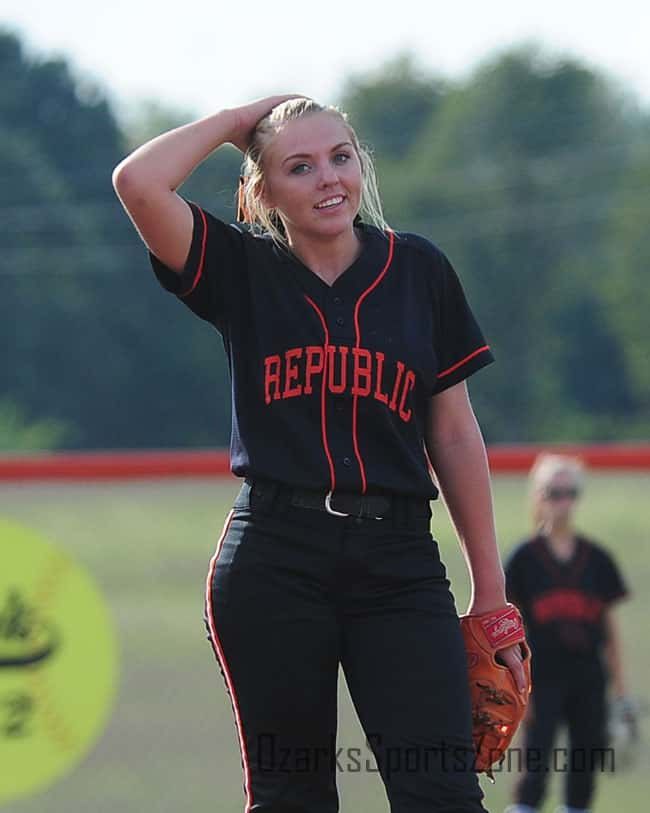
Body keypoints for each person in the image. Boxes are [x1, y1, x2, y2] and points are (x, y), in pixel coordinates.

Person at [112, 95, 529, 813]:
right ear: (263, 189)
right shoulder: (241, 268)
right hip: (276, 558)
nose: (327, 178)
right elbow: (139, 183)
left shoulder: (418, 270)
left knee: (444, 797)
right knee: (292, 798)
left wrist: (490, 595)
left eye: (340, 157)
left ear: (361, 163)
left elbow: (454, 434)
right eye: (298, 167)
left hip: (399, 562)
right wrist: (242, 120)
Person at [503, 453, 631, 813]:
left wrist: (620, 690)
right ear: (538, 495)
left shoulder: (597, 559)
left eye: (570, 492)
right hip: (540, 676)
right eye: (554, 492)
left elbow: (609, 628)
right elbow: (508, 626)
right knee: (534, 766)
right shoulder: (523, 560)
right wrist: (512, 685)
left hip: (588, 675)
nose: (563, 501)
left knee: (584, 767)